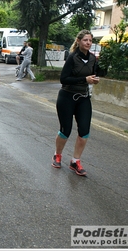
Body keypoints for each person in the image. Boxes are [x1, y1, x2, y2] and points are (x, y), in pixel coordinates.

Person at [51, 29, 101, 176]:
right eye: (85, 40)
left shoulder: (93, 59)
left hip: (83, 98)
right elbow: (63, 79)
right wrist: (84, 79)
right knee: (65, 130)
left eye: (90, 40)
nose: (88, 43)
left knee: (84, 131)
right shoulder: (72, 58)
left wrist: (94, 80)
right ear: (79, 41)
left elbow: (93, 74)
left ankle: (75, 161)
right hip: (67, 97)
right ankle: (57, 155)